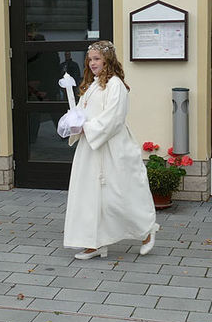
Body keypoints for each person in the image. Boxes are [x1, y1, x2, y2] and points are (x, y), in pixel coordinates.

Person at [63, 41, 158, 259]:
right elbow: (82, 110)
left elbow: (114, 118)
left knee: (119, 194)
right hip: (91, 148)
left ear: (108, 60)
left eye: (97, 58)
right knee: (90, 195)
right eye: (90, 59)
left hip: (113, 148)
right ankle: (95, 243)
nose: (92, 63)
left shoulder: (115, 85)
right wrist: (73, 120)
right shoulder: (93, 85)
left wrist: (86, 127)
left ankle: (146, 230)